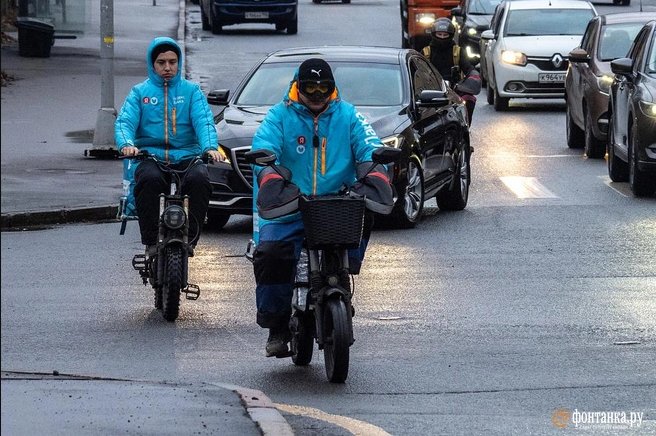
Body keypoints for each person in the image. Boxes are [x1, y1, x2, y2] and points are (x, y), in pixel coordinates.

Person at [249, 58, 393, 357]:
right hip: (289, 205)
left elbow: (369, 145)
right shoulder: (279, 116)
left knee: (365, 216)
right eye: (309, 88)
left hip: (336, 206)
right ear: (297, 87)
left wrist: (375, 172)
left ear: (332, 88)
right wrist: (272, 178)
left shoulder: (349, 115)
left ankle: (343, 277)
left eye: (323, 88)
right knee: (271, 254)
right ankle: (276, 325)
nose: (317, 94)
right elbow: (264, 147)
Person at [115, 37, 223, 254]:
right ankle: (151, 242)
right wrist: (127, 144)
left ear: (178, 63)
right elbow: (125, 122)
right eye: (161, 62)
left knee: (200, 179)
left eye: (172, 62)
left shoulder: (192, 91)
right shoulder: (139, 93)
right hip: (150, 156)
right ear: (152, 64)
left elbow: (204, 121)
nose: (167, 67)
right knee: (148, 179)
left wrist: (210, 147)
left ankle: (190, 239)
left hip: (187, 155)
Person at [423, 17, 481, 126]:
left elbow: (468, 68)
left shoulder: (458, 51)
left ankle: (465, 126)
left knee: (469, 99)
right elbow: (417, 72)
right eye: (439, 34)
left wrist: (473, 77)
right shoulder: (426, 52)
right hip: (431, 91)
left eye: (445, 35)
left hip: (455, 90)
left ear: (451, 35)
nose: (442, 37)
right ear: (433, 34)